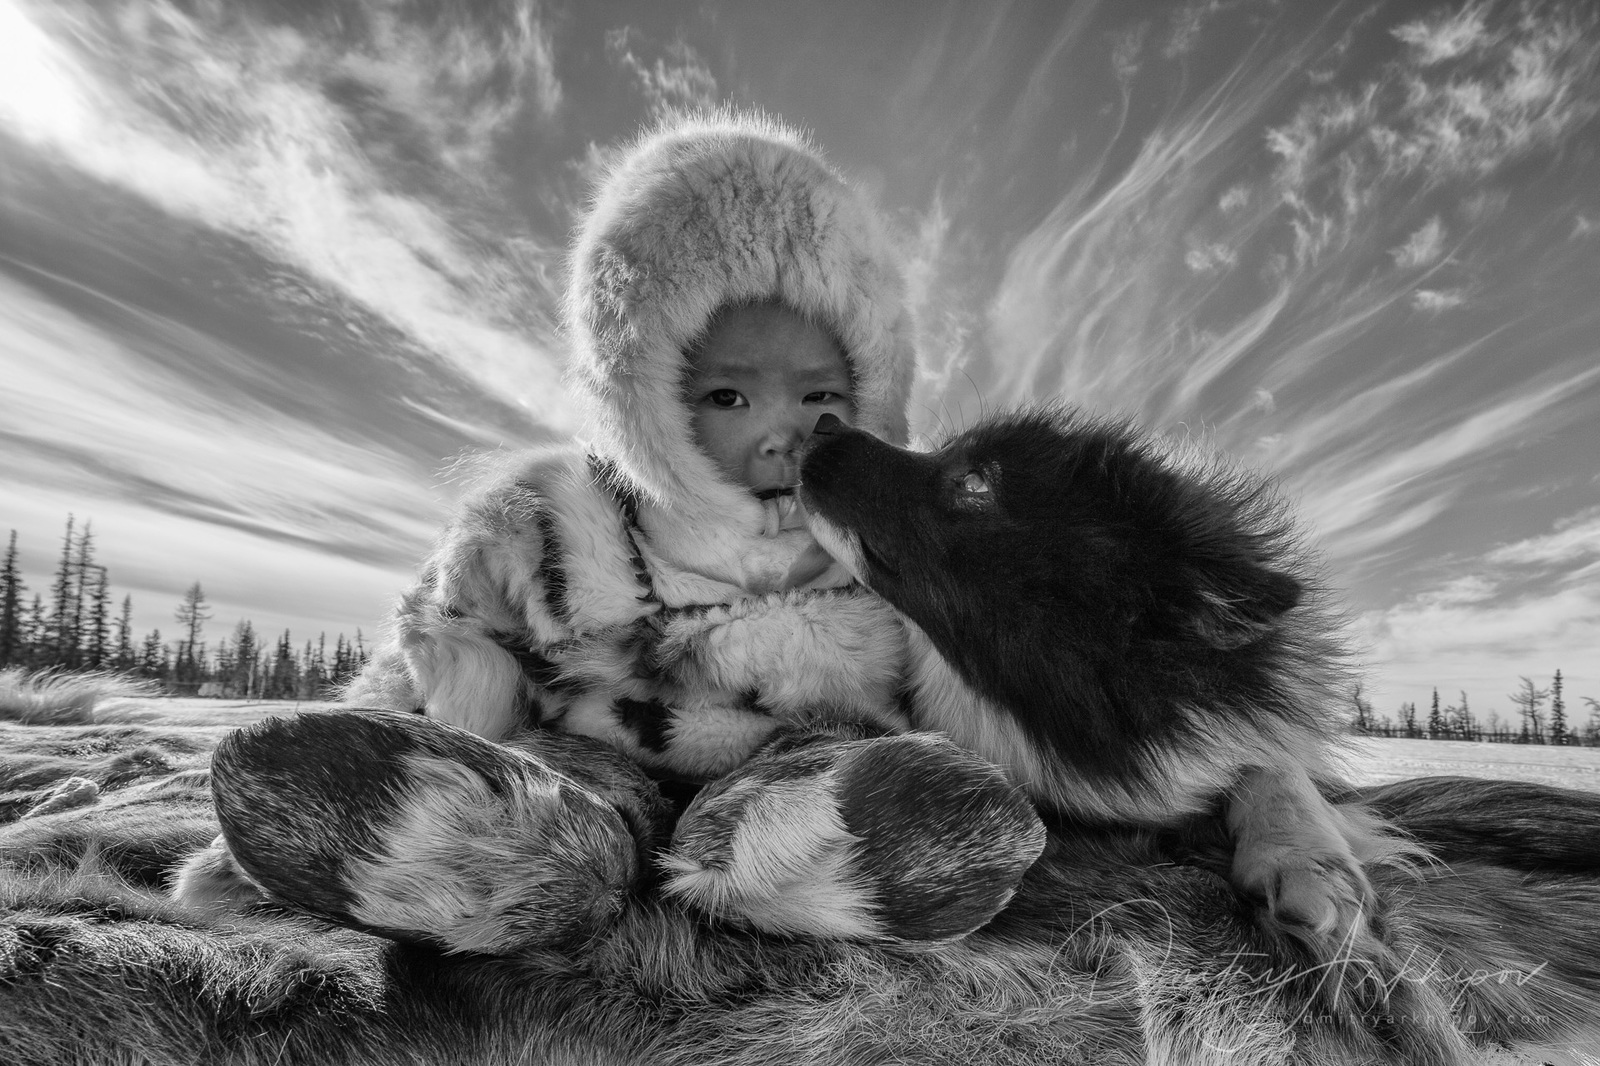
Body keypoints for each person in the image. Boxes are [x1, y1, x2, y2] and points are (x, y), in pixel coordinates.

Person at [173, 111, 1044, 951]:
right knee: (566, 817)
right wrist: (370, 742)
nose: (785, 431)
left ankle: (880, 844)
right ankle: (425, 832)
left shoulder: (898, 546)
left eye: (821, 397)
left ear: (873, 393)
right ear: (647, 401)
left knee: (816, 795)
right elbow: (438, 647)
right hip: (592, 761)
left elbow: (993, 681)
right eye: (729, 398)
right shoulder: (557, 525)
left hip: (799, 761)